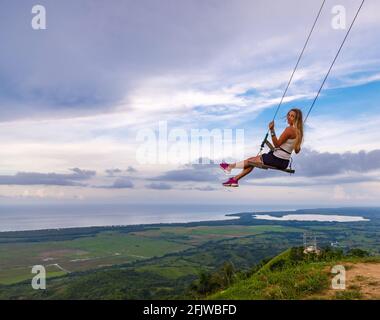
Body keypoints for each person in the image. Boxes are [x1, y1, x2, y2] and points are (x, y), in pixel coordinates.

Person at [220, 108, 304, 187]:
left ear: (297, 119)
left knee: (250, 161)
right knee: (252, 161)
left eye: (292, 116)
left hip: (276, 159)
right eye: (288, 115)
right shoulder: (299, 132)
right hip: (284, 162)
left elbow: (277, 144)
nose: (289, 117)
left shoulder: (289, 129)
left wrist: (272, 130)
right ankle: (234, 179)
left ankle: (230, 167)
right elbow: (297, 150)